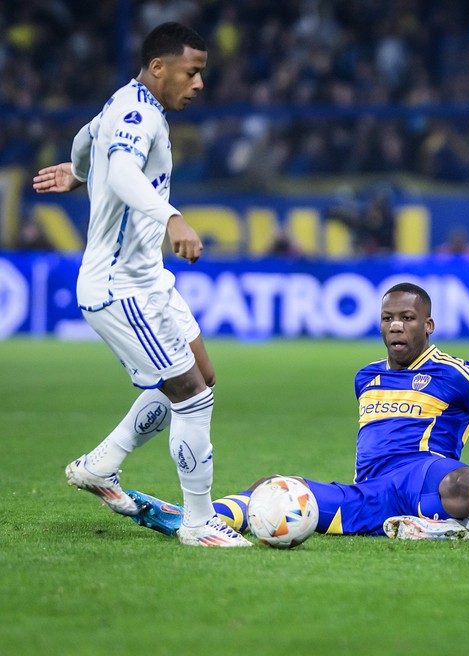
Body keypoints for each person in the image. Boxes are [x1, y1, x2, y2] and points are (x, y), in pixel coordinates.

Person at [32, 22, 250, 547]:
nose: (199, 84)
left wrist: (81, 173)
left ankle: (101, 465)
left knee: (202, 374)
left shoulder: (126, 104)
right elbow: (127, 174)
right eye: (192, 72)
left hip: (148, 278)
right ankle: (199, 525)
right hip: (118, 287)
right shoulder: (137, 113)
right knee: (191, 398)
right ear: (159, 67)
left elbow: (86, 139)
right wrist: (173, 217)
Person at [127, 283, 469, 543]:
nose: (396, 326)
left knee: (461, 480)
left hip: (425, 479)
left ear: (428, 325)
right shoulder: (366, 377)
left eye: (408, 318)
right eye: (388, 318)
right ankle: (193, 518)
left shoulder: (457, 374)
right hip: (369, 493)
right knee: (274, 486)